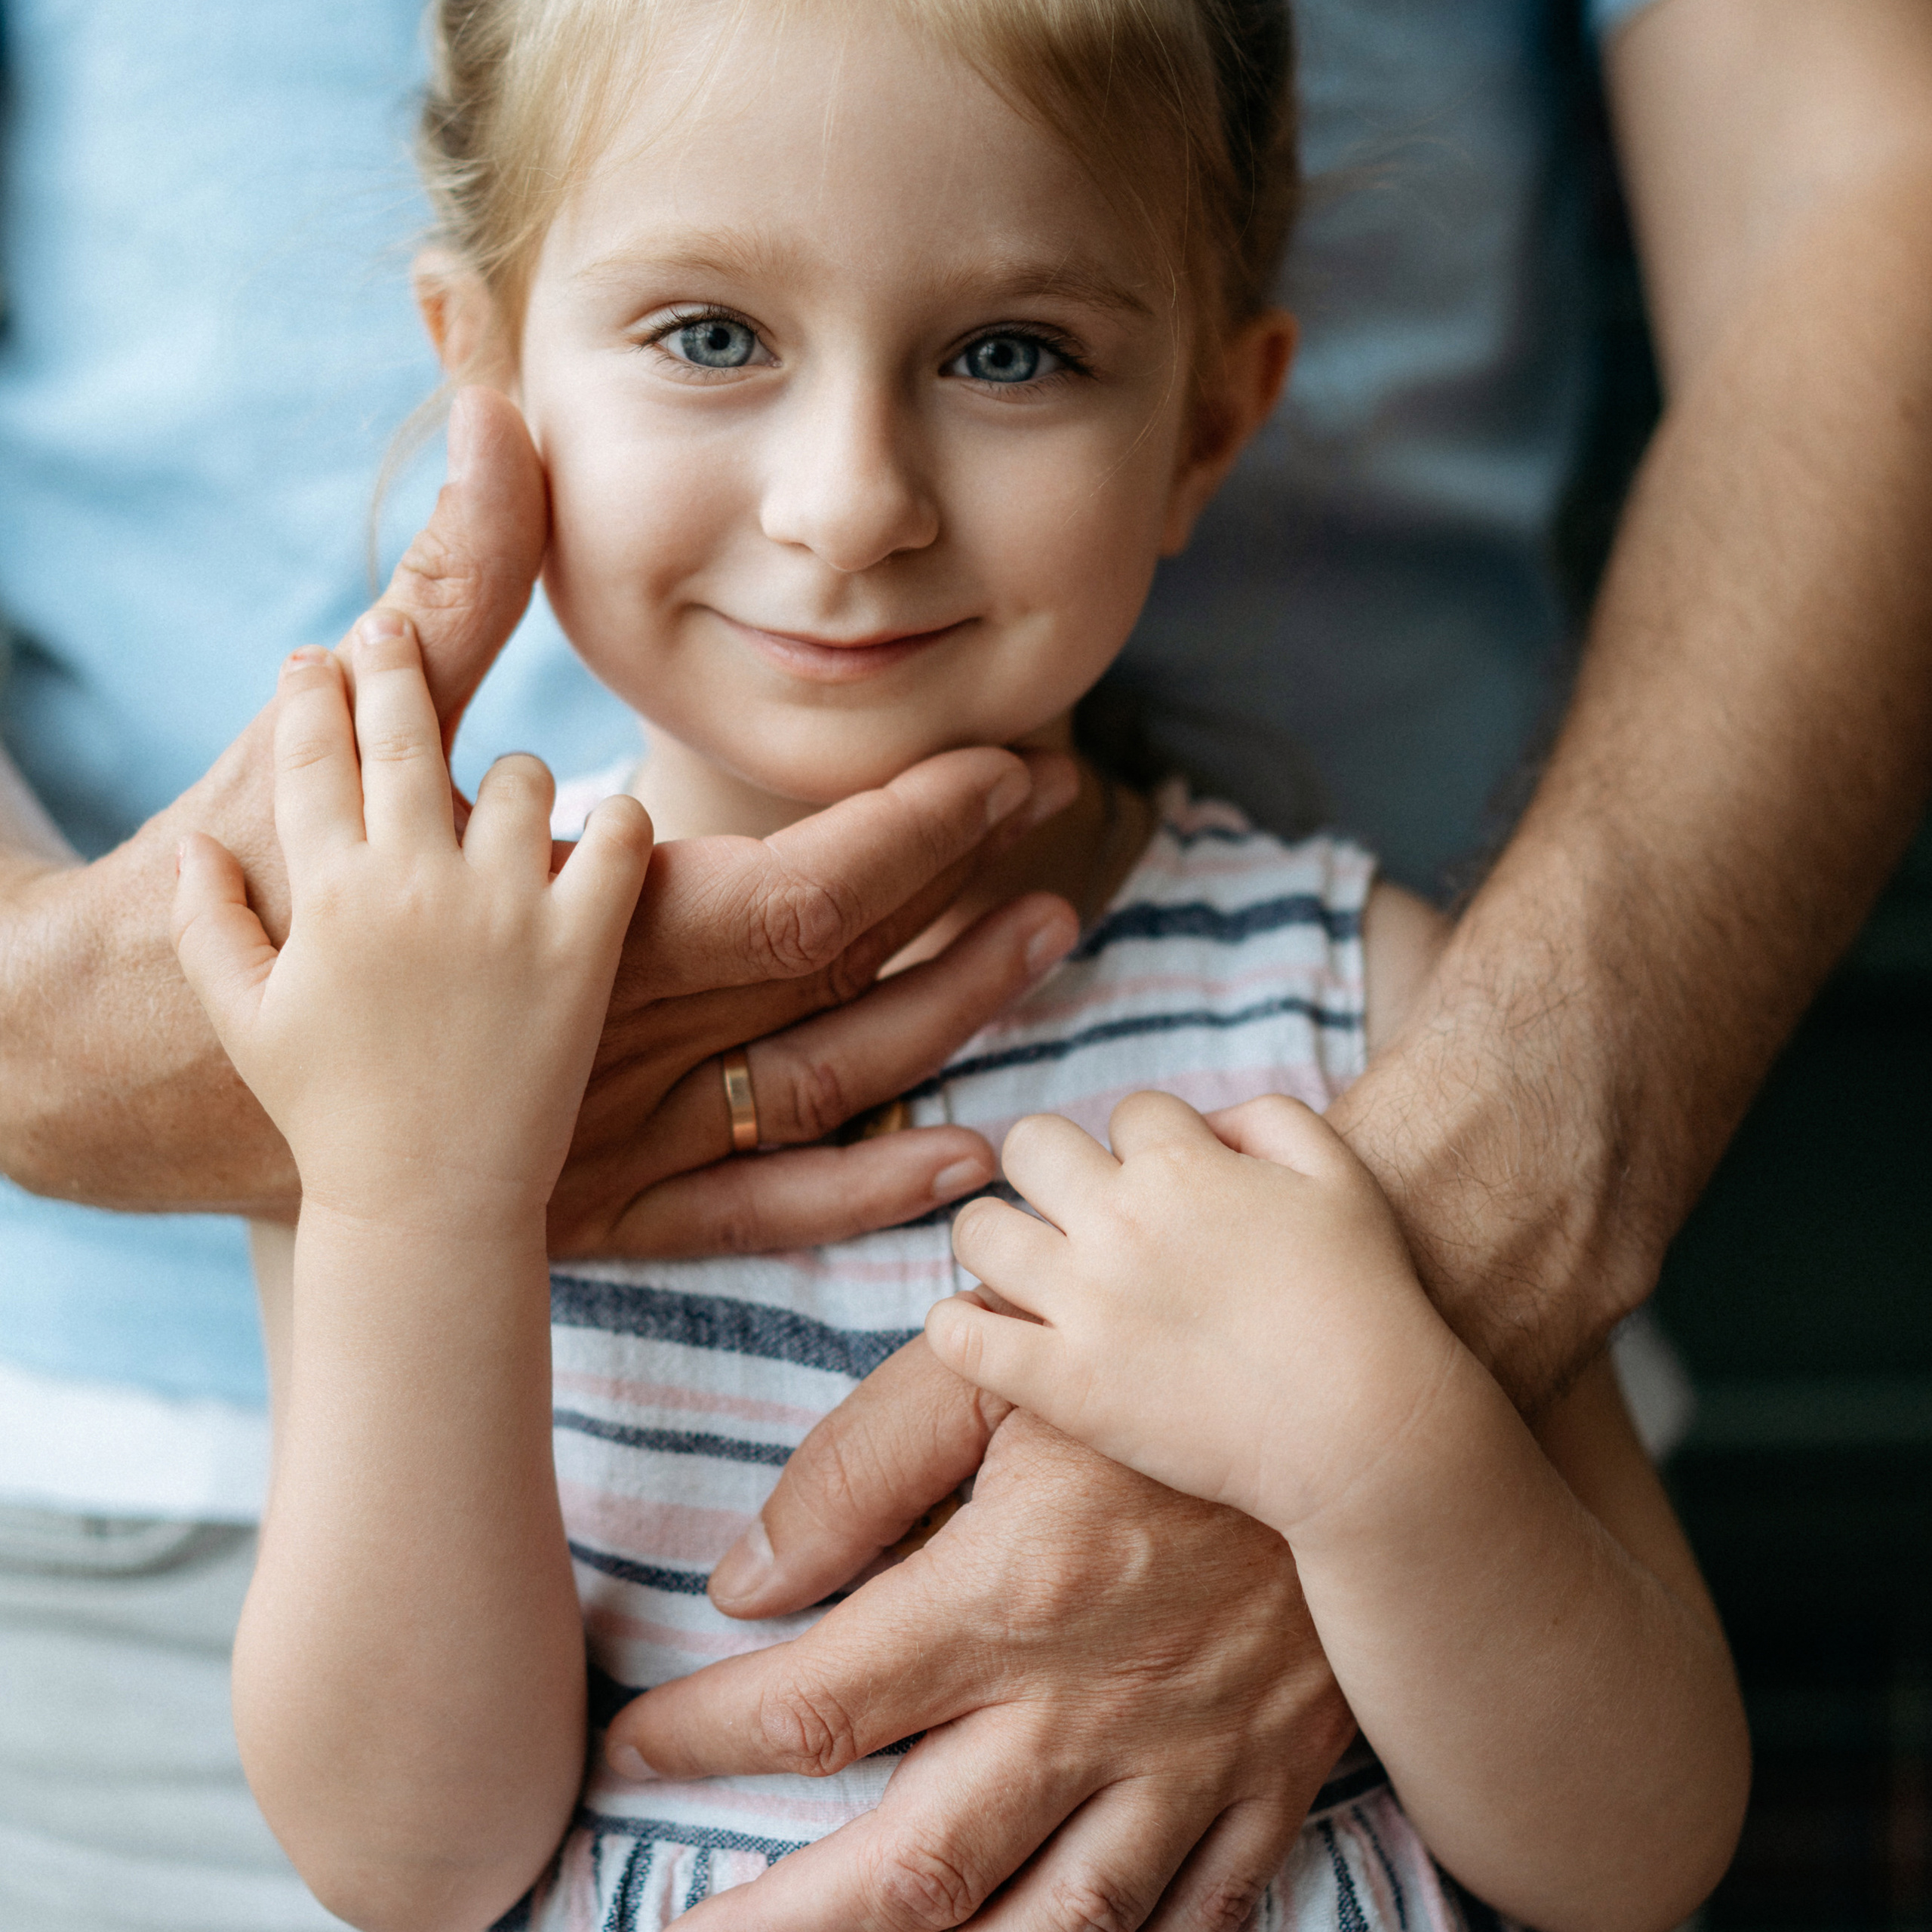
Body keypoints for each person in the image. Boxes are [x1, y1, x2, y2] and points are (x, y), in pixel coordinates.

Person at [2, 0, 1928, 1924]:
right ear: (484, 370)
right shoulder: (406, 1022)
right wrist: (419, 1193)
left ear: (1208, 425)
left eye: (1010, 353)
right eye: (710, 335)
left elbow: (1633, 1846)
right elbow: (413, 1856)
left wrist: (1372, 1451)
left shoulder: (1366, 1003)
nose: (848, 501)